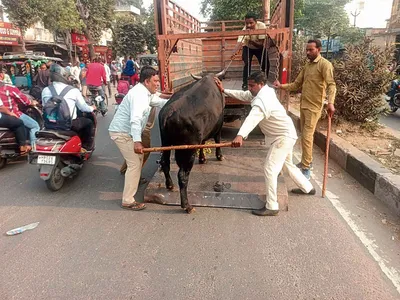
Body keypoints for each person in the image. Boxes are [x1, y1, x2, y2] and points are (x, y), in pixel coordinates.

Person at [215, 71, 315, 216]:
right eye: (248, 85)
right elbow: (244, 95)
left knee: (270, 169)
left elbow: (252, 118)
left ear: (261, 84)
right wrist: (224, 90)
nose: (249, 88)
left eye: (252, 85)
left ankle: (272, 206)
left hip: (283, 137)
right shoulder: (264, 92)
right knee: (288, 165)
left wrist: (240, 135)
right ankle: (308, 188)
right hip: (285, 134)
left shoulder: (262, 101)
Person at [274, 39, 336, 179]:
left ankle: (306, 169)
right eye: (307, 50)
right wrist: (281, 86)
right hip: (304, 106)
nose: (308, 52)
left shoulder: (325, 65)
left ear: (318, 50)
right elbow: (296, 85)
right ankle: (304, 162)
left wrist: (330, 103)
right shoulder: (307, 66)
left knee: (307, 137)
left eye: (311, 50)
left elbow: (331, 85)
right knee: (304, 137)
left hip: (314, 108)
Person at [109, 66, 169, 211]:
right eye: (155, 81)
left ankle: (132, 188)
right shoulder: (139, 96)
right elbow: (135, 120)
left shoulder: (146, 93)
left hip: (127, 132)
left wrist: (176, 99)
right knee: (135, 164)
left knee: (137, 160)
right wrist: (137, 141)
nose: (157, 84)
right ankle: (128, 200)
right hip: (122, 133)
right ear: (147, 81)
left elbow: (158, 101)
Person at [42, 64, 96, 150]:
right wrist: (92, 108)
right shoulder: (73, 90)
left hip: (49, 124)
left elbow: (44, 106)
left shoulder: (45, 90)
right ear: (65, 76)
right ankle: (86, 147)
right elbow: (83, 108)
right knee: (88, 122)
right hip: (69, 124)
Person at [232, 12, 268, 91]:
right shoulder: (244, 29)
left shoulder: (261, 26)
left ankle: (264, 83)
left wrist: (251, 41)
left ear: (256, 22)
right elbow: (239, 42)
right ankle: (245, 84)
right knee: (246, 64)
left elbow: (261, 44)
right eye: (247, 23)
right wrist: (234, 52)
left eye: (251, 23)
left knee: (265, 64)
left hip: (259, 47)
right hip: (248, 47)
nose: (248, 25)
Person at [0, 80, 40, 146]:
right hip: (13, 113)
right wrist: (32, 102)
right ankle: (34, 148)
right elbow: (24, 100)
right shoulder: (10, 88)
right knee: (35, 126)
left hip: (2, 117)